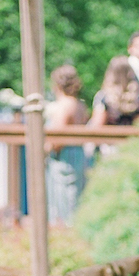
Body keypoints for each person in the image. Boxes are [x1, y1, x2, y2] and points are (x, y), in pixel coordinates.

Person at [45, 64, 90, 216]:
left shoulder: (63, 105)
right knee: (76, 197)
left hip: (64, 156)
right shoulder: (80, 105)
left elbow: (58, 138)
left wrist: (45, 149)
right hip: (79, 153)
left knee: (63, 200)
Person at [89, 56, 139, 127]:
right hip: (131, 137)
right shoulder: (137, 97)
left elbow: (97, 125)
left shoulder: (103, 97)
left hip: (110, 137)